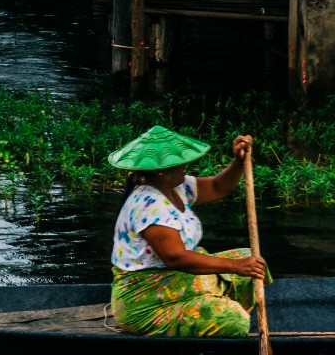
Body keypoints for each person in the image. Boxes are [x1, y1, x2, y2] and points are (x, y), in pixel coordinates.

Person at [107, 125, 270, 337]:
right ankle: (221, 317)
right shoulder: (149, 205)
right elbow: (176, 258)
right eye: (178, 164)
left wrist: (238, 162)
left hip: (179, 279)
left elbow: (218, 187)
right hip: (148, 299)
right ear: (159, 171)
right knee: (235, 321)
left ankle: (211, 310)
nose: (185, 166)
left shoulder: (176, 187)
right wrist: (234, 266)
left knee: (252, 259)